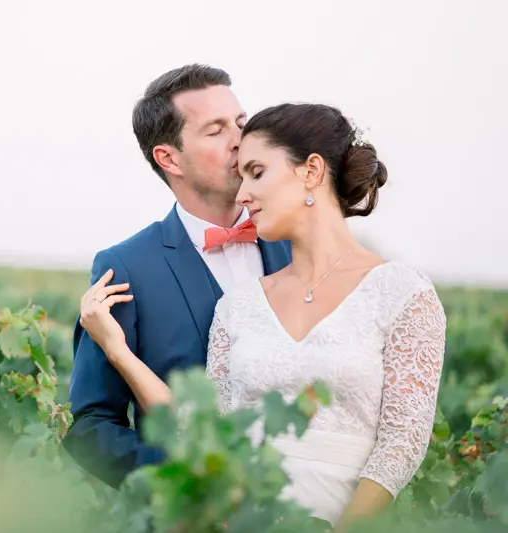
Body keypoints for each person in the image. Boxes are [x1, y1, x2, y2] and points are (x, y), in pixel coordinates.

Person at [76, 102, 447, 530]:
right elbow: (202, 431)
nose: (242, 192)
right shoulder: (239, 305)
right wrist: (118, 351)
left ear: (310, 171)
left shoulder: (403, 292)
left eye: (256, 172)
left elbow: (402, 442)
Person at [60, 65, 292, 489]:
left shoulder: (297, 243)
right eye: (216, 130)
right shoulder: (127, 267)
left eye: (242, 122)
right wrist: (186, 483)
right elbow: (92, 428)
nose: (241, 140)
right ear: (168, 157)